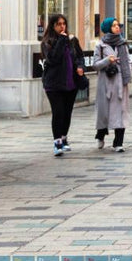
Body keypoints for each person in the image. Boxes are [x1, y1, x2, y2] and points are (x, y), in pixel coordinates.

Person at [40, 14, 85, 156]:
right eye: (59, 24)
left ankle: (64, 137)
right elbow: (53, 58)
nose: (62, 26)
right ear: (53, 26)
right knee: (58, 112)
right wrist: (60, 40)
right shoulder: (47, 42)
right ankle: (57, 141)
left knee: (67, 113)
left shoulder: (72, 40)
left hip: (70, 83)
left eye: (64, 23)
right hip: (53, 84)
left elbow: (79, 56)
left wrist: (80, 66)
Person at [93, 17, 132, 151]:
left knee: (121, 112)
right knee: (104, 113)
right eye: (114, 25)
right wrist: (107, 60)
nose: (117, 27)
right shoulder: (100, 45)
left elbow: (128, 60)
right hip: (106, 82)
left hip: (121, 82)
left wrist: (127, 73)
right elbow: (95, 65)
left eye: (118, 25)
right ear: (108, 28)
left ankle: (118, 143)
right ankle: (101, 134)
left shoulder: (123, 44)